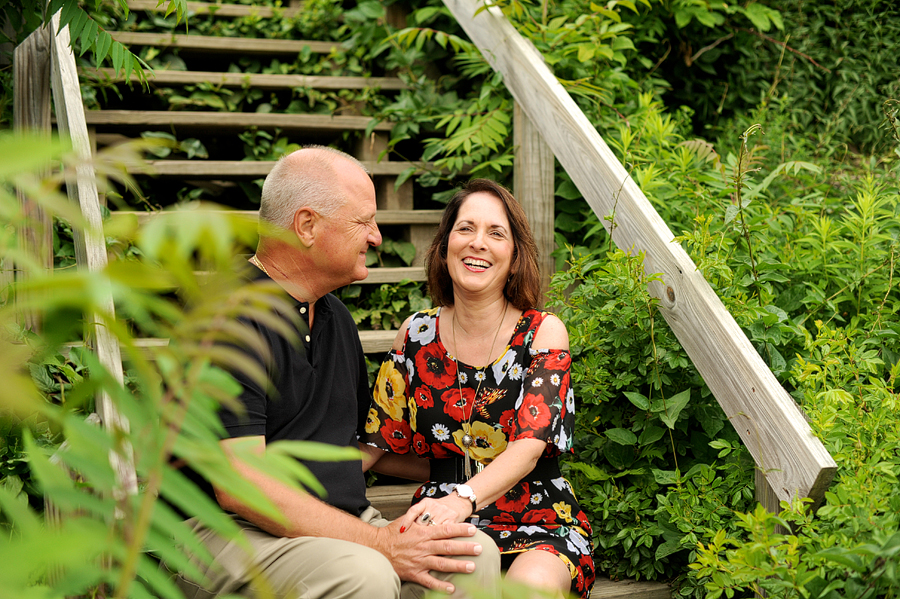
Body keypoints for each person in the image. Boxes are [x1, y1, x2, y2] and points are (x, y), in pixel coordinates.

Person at [165, 147, 500, 599]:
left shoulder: (334, 317)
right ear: (307, 226)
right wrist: (380, 543)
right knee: (365, 574)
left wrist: (470, 467)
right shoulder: (223, 315)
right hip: (223, 531)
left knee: (470, 552)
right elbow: (239, 487)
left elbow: (362, 444)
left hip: (336, 524)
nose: (378, 237)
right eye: (363, 222)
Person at [361, 179, 596, 599]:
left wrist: (463, 495)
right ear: (444, 244)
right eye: (465, 228)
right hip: (442, 513)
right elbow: (379, 446)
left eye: (496, 233)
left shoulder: (543, 333)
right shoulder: (414, 334)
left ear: (515, 255)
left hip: (537, 513)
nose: (478, 243)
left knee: (530, 588)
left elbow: (530, 446)